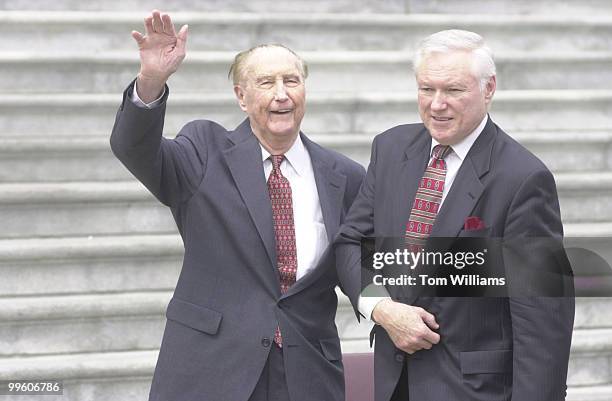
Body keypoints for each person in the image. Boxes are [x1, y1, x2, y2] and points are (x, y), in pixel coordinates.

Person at [110, 10, 365, 401]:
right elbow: (134, 148)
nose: (281, 93)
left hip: (306, 373)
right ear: (241, 97)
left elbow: (371, 258)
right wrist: (151, 81)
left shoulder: (344, 175)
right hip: (211, 368)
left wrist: (480, 268)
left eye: (291, 81)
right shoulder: (204, 151)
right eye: (266, 82)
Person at [335, 29, 574, 401]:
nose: (436, 104)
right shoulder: (390, 148)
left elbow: (542, 325)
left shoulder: (524, 179)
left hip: (474, 391)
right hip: (394, 384)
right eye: (426, 89)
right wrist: (381, 307)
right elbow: (352, 244)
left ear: (488, 88)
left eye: (453, 90)